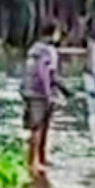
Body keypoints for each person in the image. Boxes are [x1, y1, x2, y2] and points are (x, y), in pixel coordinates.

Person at [21, 23, 70, 175]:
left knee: (39, 127)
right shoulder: (49, 51)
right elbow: (46, 73)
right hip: (40, 93)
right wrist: (52, 92)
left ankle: (40, 159)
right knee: (39, 128)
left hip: (28, 90)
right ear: (53, 33)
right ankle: (34, 162)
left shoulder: (34, 49)